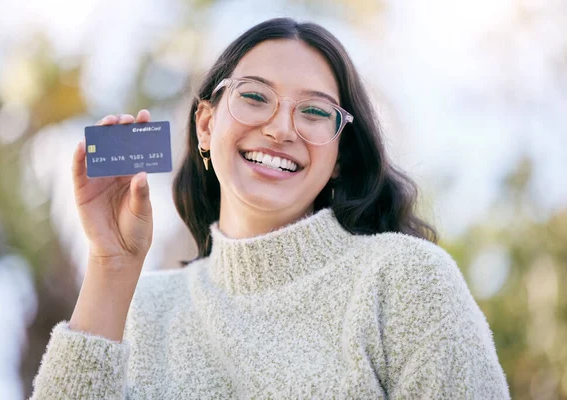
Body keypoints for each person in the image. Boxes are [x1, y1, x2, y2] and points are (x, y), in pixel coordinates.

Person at [30, 18, 511, 399]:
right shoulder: (138, 313)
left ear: (340, 157)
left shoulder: (405, 279)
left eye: (316, 111)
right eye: (256, 97)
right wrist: (110, 266)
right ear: (205, 124)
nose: (281, 129)